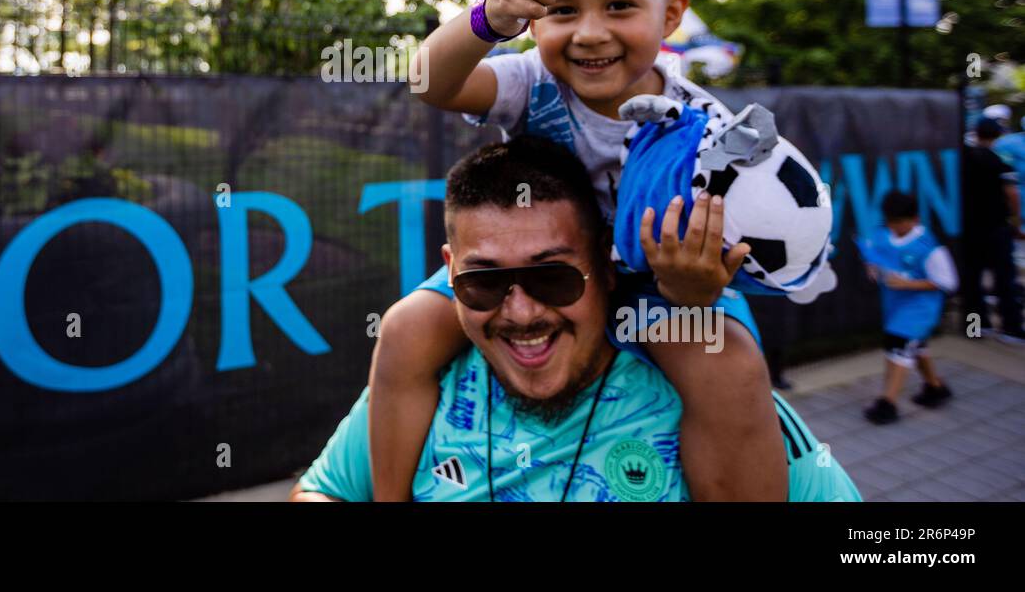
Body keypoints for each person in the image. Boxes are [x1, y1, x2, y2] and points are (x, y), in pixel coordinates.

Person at [369, 0, 833, 502]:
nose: (590, 32)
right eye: (563, 9)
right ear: (535, 22)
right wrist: (488, 16)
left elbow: (717, 254)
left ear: (670, 16)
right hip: (534, 271)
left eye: (619, 5)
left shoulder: (708, 133)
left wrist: (693, 292)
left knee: (729, 365)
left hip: (651, 287)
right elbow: (429, 82)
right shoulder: (529, 81)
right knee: (406, 327)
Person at [291, 137, 860, 502]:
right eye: (483, 282)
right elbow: (322, 492)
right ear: (449, 272)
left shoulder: (721, 397)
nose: (521, 312)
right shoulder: (419, 378)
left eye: (553, 278)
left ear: (607, 269)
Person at [857, 191, 959, 425]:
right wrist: (872, 267)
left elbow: (948, 282)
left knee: (897, 347)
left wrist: (908, 284)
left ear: (915, 219)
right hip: (894, 306)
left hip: (920, 309)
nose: (895, 227)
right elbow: (873, 255)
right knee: (916, 346)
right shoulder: (881, 235)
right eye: (891, 222)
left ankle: (888, 403)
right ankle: (935, 387)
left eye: (900, 222)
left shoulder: (930, 247)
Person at [960, 117, 1024, 345]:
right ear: (997, 135)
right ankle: (1011, 328)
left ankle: (976, 327)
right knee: (1004, 279)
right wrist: (1016, 222)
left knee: (973, 279)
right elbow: (1012, 194)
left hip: (970, 229)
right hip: (996, 227)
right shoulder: (1000, 161)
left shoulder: (964, 159)